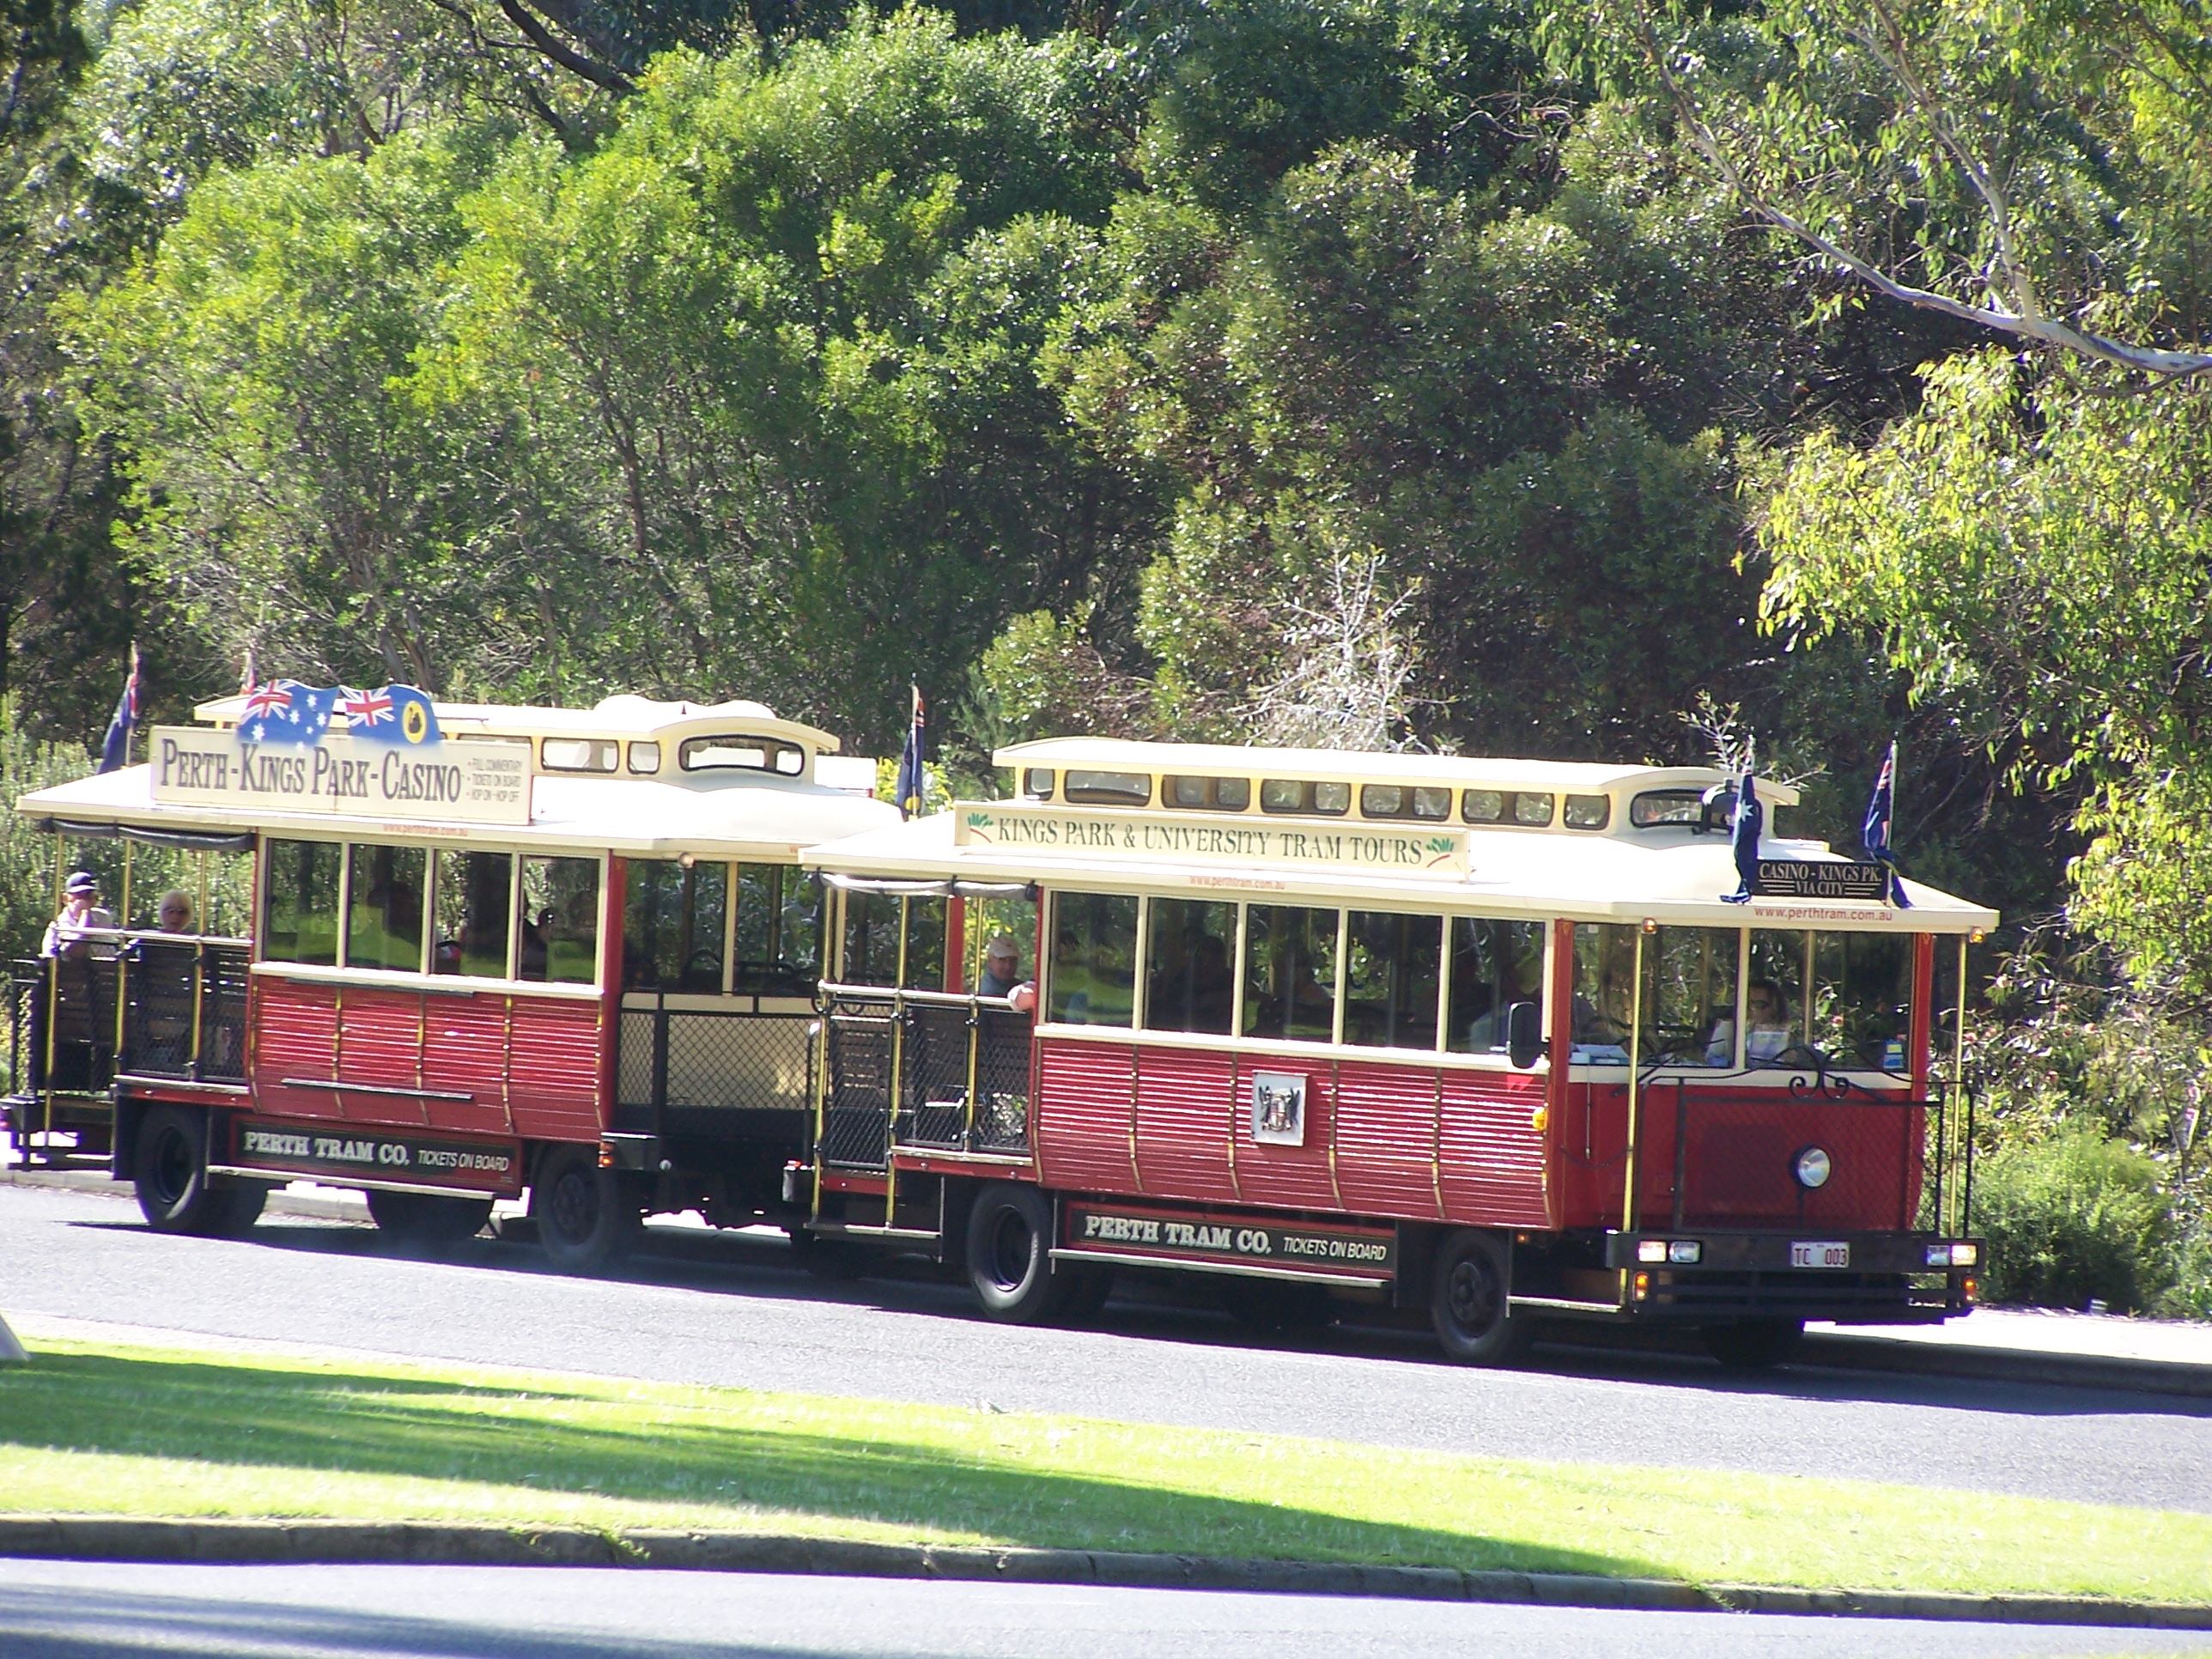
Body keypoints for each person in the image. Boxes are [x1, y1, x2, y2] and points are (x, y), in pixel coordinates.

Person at [42, 872, 116, 959]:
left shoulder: (103, 917)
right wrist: (85, 914)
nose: (85, 901)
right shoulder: (60, 924)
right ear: (65, 898)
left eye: (89, 896)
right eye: (79, 896)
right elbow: (77, 952)